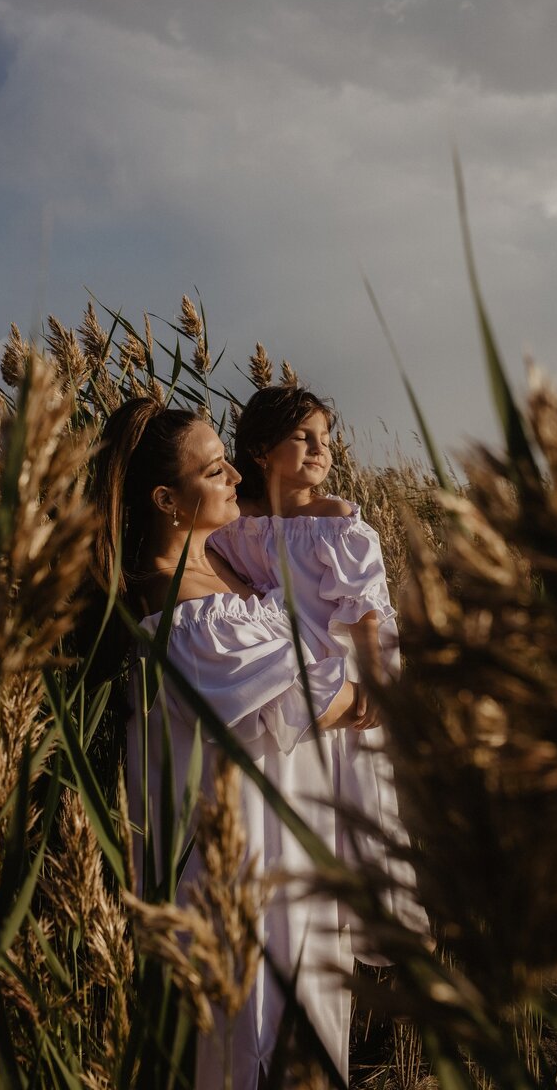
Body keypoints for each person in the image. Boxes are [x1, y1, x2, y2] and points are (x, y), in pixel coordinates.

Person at [88, 399, 361, 1088]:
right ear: (167, 500)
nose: (236, 476)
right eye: (215, 471)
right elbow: (323, 701)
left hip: (292, 855)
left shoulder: (231, 566)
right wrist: (384, 688)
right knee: (257, 1054)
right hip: (242, 879)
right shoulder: (179, 618)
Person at [208, 386, 429, 955]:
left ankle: (387, 927)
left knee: (359, 796)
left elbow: (364, 605)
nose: (319, 449)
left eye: (325, 439)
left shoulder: (332, 518)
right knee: (309, 799)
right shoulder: (241, 524)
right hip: (287, 677)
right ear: (260, 451)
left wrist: (376, 681)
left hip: (343, 671)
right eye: (301, 438)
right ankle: (311, 924)